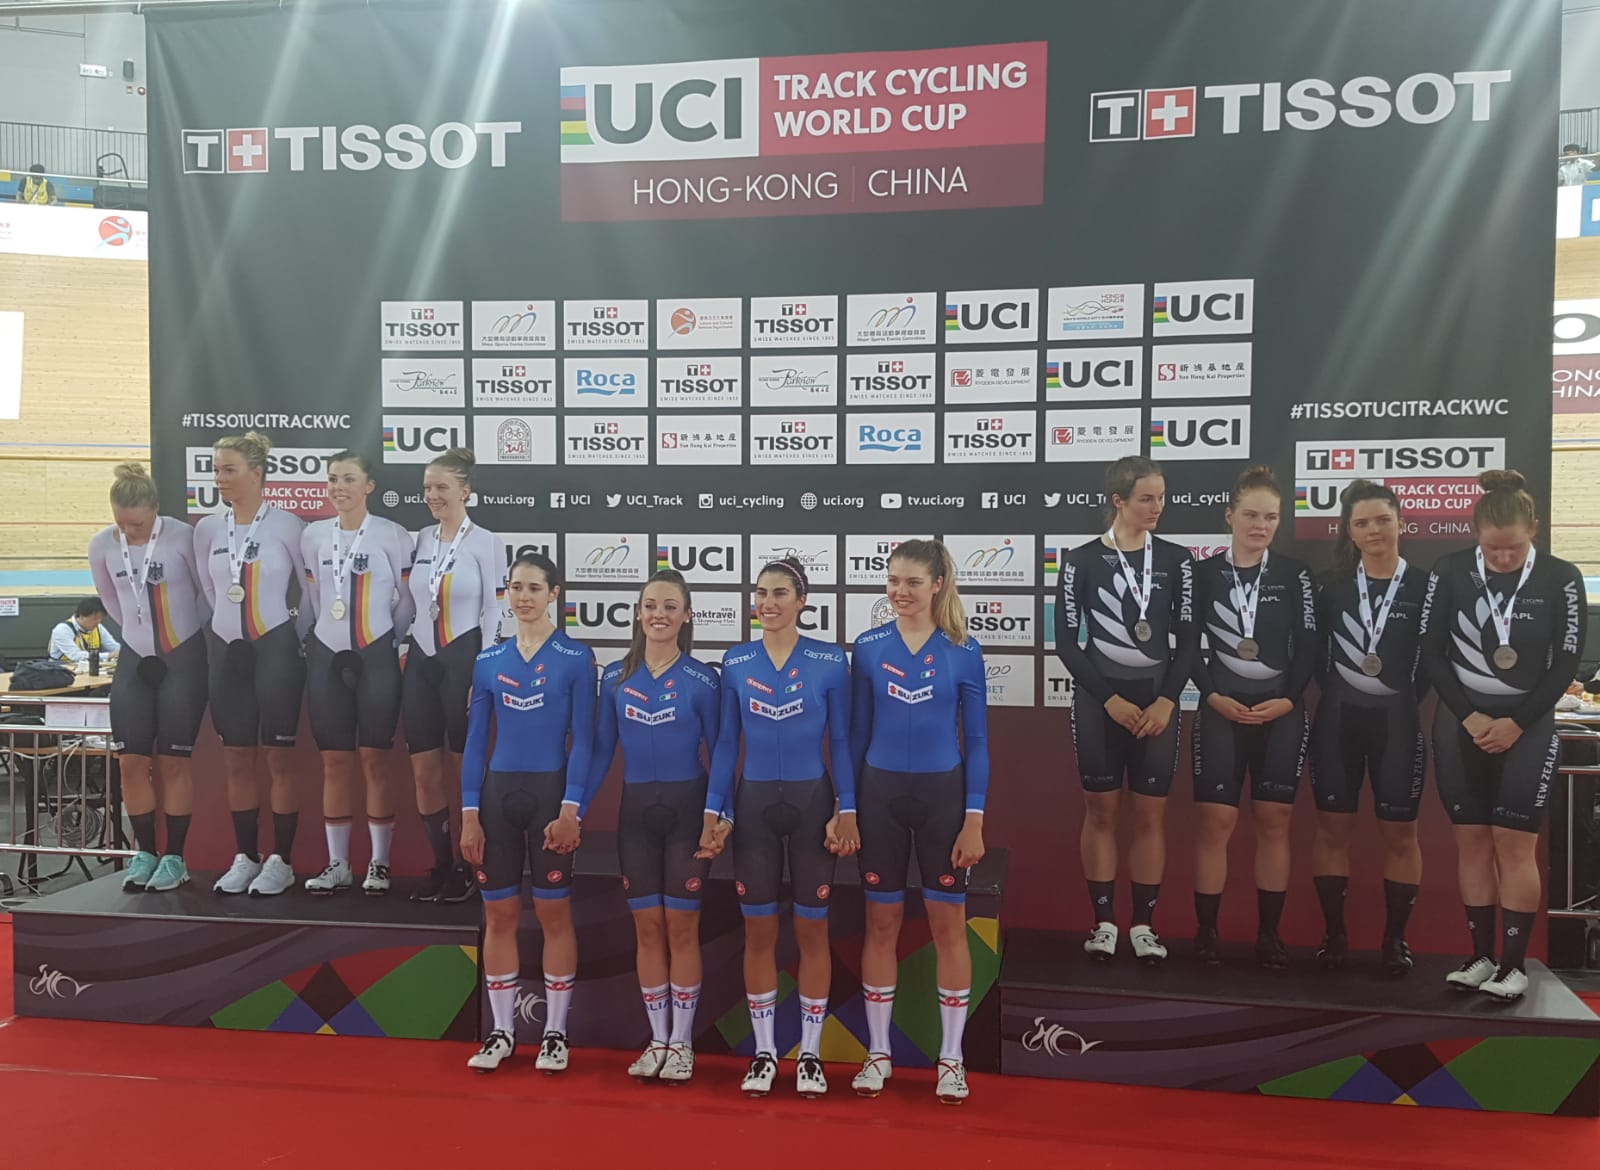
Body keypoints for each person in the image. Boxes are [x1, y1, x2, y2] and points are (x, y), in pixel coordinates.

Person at [1423, 471, 1585, 1001]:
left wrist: (1517, 723)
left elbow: (1566, 663)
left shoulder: (1562, 577)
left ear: (1534, 529)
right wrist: (1469, 717)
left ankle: (1513, 966)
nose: (1503, 557)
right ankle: (1481, 957)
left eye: (1513, 548)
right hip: (1461, 725)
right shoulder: (1449, 570)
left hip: (1527, 727)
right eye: (1492, 548)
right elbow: (1431, 654)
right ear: (1475, 534)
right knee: (1471, 843)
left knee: (1514, 846)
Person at [706, 556, 855, 1099]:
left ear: (802, 601)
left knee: (813, 931)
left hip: (813, 803)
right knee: (759, 933)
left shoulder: (829, 660)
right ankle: (765, 1052)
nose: (768, 604)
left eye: (779, 594)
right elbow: (726, 743)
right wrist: (715, 809)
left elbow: (842, 741)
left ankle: (810, 1054)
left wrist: (848, 806)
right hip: (754, 807)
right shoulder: (736, 661)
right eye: (761, 594)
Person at [848, 539, 988, 1106]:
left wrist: (974, 818)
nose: (899, 592)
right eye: (892, 581)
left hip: (943, 798)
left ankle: (952, 1059)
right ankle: (878, 1052)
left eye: (911, 582)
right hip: (878, 795)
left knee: (947, 925)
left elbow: (977, 741)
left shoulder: (963, 649)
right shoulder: (868, 647)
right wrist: (847, 807)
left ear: (937, 585)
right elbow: (855, 735)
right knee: (880, 924)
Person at [582, 569, 721, 1084]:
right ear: (638, 614)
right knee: (646, 928)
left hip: (688, 812)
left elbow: (723, 751)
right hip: (636, 814)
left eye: (669, 606)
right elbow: (600, 751)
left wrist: (718, 813)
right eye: (650, 605)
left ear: (686, 616)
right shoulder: (615, 678)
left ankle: (682, 1043)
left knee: (681, 928)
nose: (658, 614)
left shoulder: (704, 679)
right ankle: (658, 1038)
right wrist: (574, 808)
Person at [1057, 456, 1195, 966]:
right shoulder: (1080, 560)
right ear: (1118, 501)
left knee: (1150, 818)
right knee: (1101, 813)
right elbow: (1066, 642)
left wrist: (1166, 700)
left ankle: (1143, 926)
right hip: (1100, 703)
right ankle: (1104, 924)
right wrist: (1109, 699)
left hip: (1158, 702)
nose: (1158, 507)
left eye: (1161, 497)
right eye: (1146, 498)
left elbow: (1188, 642)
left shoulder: (1177, 560)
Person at [460, 554, 595, 1072]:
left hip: (550, 796)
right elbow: (476, 742)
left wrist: (571, 809)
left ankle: (555, 1034)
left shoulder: (576, 658)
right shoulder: (488, 660)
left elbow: (585, 741)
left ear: (554, 594)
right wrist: (470, 814)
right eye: (516, 587)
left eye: (534, 588)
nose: (523, 597)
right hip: (498, 798)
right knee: (499, 915)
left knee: (554, 913)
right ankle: (501, 1033)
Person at [1190, 466, 1317, 967]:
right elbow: (1187, 646)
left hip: (1280, 711)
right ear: (1230, 516)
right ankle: (1206, 934)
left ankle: (1269, 934)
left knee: (1274, 821)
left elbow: (1309, 645)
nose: (1260, 525)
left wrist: (1289, 699)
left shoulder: (1294, 574)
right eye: (1250, 515)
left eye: (1271, 517)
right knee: (1214, 822)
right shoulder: (1203, 574)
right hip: (1221, 711)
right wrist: (1211, 695)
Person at [1308, 480, 1433, 975]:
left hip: (1398, 724)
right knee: (1331, 831)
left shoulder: (1427, 586)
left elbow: (1434, 662)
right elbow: (1315, 658)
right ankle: (1334, 935)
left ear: (1401, 522)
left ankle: (1395, 940)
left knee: (1401, 835)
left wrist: (1396, 700)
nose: (1374, 530)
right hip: (1338, 721)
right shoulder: (1330, 586)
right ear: (1349, 530)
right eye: (1362, 523)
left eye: (1383, 519)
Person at [194, 432, 310, 896]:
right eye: (216, 470)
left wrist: (292, 637)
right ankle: (246, 856)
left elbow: (311, 591)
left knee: (280, 759)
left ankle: (281, 860)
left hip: (275, 649)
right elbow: (208, 589)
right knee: (237, 759)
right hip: (227, 653)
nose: (219, 479)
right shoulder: (207, 529)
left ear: (257, 474)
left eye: (229, 470)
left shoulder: (288, 525)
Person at [88, 463, 209, 892]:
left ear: (155, 509)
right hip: (135, 659)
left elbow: (207, 592)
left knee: (174, 762)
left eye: (137, 525)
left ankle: (175, 857)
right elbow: (109, 600)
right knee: (131, 762)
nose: (128, 532)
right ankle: (145, 852)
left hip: (182, 657)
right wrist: (138, 637)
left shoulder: (183, 537)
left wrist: (182, 637)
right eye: (121, 524)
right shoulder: (102, 544)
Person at [299, 452, 416, 896]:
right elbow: (313, 600)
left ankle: (379, 863)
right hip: (327, 656)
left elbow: (407, 600)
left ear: (369, 486)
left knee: (374, 760)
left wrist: (388, 641)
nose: (338, 487)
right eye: (332, 479)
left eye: (349, 479)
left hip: (376, 655)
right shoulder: (313, 535)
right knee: (334, 762)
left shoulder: (392, 534)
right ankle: (338, 863)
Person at [402, 447, 502, 903]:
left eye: (441, 487)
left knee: (465, 768)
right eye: (427, 488)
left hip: (464, 661)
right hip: (421, 662)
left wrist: (482, 672)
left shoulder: (487, 542)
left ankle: (470, 864)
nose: (432, 495)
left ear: (465, 491)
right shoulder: (420, 539)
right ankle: (442, 864)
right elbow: (409, 603)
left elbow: (494, 612)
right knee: (424, 770)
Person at [49, 597, 121, 665]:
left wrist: (121, 653)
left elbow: (113, 646)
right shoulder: (62, 630)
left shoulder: (98, 627)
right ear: (82, 616)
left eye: (101, 619)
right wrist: (109, 655)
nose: (98, 622)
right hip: (61, 669)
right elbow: (75, 656)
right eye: (95, 618)